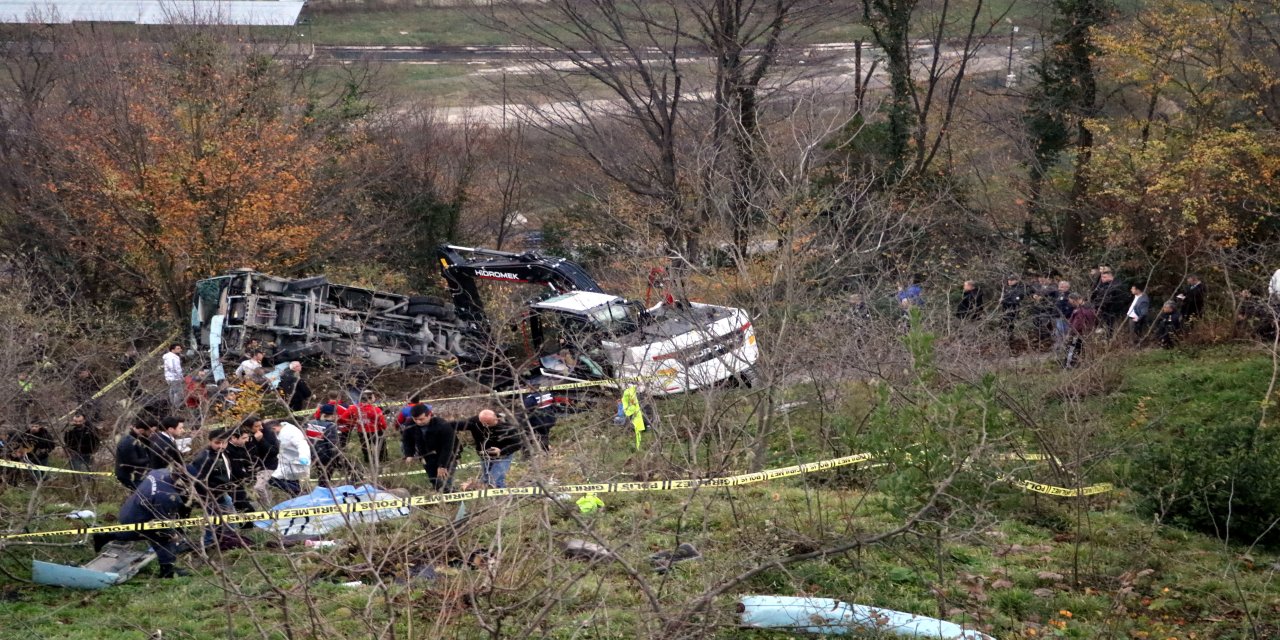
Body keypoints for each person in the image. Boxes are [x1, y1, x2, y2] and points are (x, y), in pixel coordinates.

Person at [92, 468, 193, 578]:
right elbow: (164, 523)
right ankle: (167, 571)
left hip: (130, 509)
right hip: (140, 517)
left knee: (133, 533)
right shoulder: (167, 496)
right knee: (164, 539)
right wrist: (173, 534)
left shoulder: (159, 472)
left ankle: (104, 536)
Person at [401, 404, 459, 491]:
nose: (418, 422)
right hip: (427, 456)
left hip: (446, 456)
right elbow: (407, 440)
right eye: (415, 419)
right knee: (434, 480)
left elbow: (448, 447)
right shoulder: (410, 424)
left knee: (445, 481)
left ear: (429, 415)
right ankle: (439, 495)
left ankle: (452, 499)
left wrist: (442, 465)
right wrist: (409, 454)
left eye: (421, 419)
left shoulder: (443, 425)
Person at [462, 409, 523, 489]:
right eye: (483, 423)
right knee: (486, 480)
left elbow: (518, 444)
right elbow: (458, 425)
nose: (485, 425)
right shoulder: (475, 421)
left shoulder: (508, 427)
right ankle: (492, 498)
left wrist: (501, 451)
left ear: (496, 419)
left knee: (494, 480)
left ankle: (501, 497)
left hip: (502, 456)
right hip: (485, 456)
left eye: (488, 424)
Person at [244, 415, 279, 507]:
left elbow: (274, 451)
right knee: (264, 489)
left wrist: (261, 440)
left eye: (261, 425)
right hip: (254, 465)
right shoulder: (244, 434)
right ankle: (269, 506)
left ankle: (268, 509)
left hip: (268, 465)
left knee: (259, 487)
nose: (261, 428)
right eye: (257, 426)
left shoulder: (267, 432)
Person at [269, 420, 310, 498]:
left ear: (274, 428)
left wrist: (303, 457)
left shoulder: (291, 432)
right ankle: (300, 498)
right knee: (291, 483)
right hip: (286, 462)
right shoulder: (281, 432)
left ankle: (300, 493)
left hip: (295, 462)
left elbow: (302, 444)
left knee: (272, 479)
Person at [348, 391, 388, 466]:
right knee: (380, 444)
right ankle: (382, 459)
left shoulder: (354, 408)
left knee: (365, 445)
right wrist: (385, 428)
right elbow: (382, 421)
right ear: (370, 399)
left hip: (362, 431)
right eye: (373, 397)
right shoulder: (376, 409)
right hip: (375, 430)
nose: (375, 398)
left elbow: (343, 418)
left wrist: (354, 421)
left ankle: (367, 459)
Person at [115, 418, 155, 490]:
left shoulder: (139, 439)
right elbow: (133, 462)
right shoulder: (128, 442)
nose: (150, 435)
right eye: (149, 432)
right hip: (129, 476)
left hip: (137, 474)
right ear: (141, 431)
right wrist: (149, 459)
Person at [1090, 269, 1128, 338]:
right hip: (1106, 310)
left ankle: (1109, 338)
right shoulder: (1104, 285)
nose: (1102, 279)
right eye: (1102, 277)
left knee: (1110, 326)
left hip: (1111, 311)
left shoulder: (1115, 286)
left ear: (1110, 277)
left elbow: (1111, 299)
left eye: (1104, 277)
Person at [1064, 293, 1098, 369]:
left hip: (1078, 333)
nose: (1070, 303)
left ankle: (1069, 365)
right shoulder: (1091, 308)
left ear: (1074, 300)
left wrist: (1070, 333)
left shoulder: (1080, 311)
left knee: (1072, 349)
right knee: (1080, 349)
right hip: (1087, 332)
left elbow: (1077, 324)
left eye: (1071, 301)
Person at [523, 383, 559, 452]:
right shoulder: (547, 394)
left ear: (529, 388)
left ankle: (529, 452)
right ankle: (546, 448)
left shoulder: (530, 398)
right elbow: (554, 406)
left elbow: (526, 411)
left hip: (539, 422)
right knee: (544, 434)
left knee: (528, 432)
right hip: (551, 419)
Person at [1000, 275, 1032, 348]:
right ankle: (1007, 340)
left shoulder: (1019, 288)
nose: (1010, 281)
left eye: (1012, 280)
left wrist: (1005, 301)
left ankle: (1010, 342)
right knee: (1004, 325)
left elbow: (1016, 300)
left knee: (1010, 326)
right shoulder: (1007, 288)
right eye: (1009, 280)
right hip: (1005, 310)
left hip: (1014, 309)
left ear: (1016, 280)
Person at [162, 343, 185, 410]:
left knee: (172, 391)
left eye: (180, 348)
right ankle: (177, 406)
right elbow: (173, 368)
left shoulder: (169, 357)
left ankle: (172, 405)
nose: (180, 350)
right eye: (178, 348)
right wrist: (180, 376)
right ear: (172, 350)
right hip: (174, 377)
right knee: (178, 392)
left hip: (169, 377)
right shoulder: (172, 357)